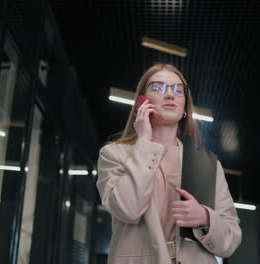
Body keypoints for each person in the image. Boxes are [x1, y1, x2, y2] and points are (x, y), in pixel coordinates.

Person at [97, 63, 242, 264]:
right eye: (158, 87)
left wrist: (205, 218)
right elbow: (127, 209)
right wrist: (144, 144)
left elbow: (231, 239)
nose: (170, 95)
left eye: (178, 90)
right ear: (141, 101)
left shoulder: (207, 164)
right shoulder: (114, 154)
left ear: (185, 106)